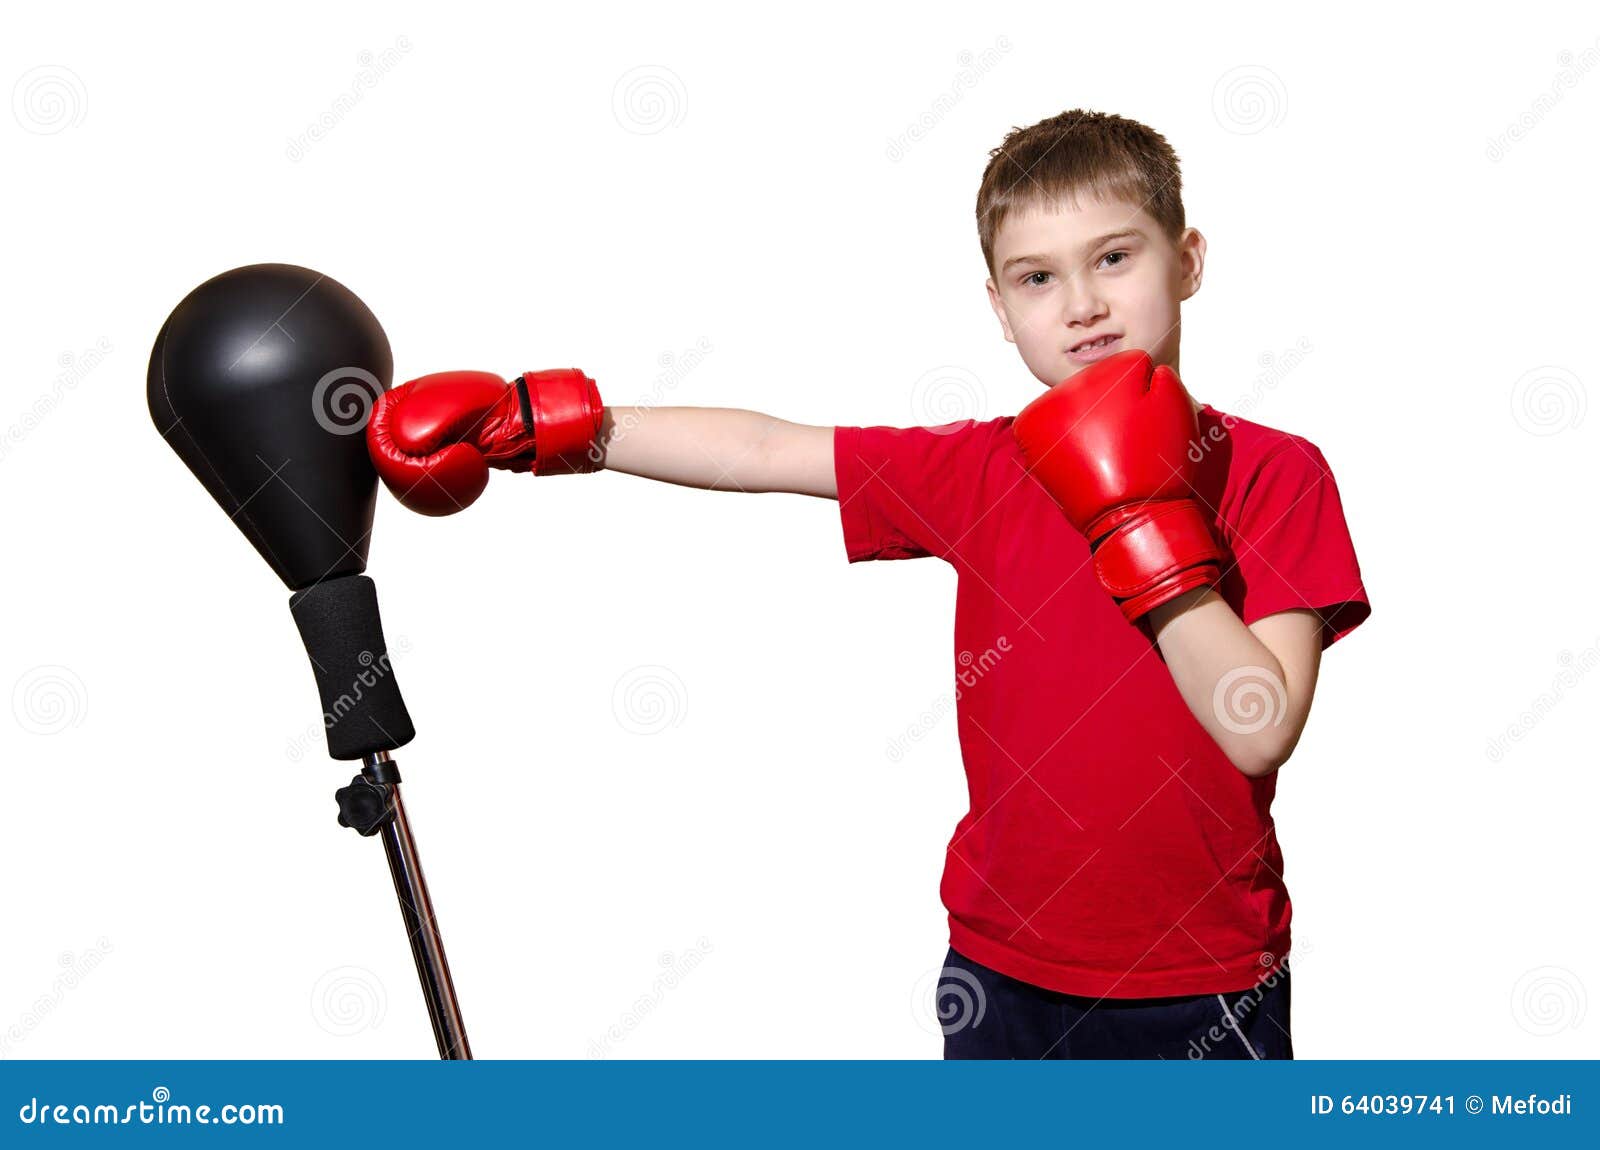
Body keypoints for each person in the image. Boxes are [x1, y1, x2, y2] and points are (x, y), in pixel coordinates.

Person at [365, 109, 1370, 1060]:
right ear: (997, 307)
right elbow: (768, 448)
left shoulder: (1273, 471)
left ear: (1186, 260)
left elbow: (1258, 723)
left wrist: (1140, 523)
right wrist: (552, 426)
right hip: (1003, 969)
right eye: (1035, 277)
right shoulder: (983, 467)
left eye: (1114, 256)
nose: (1082, 304)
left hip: (1206, 980)